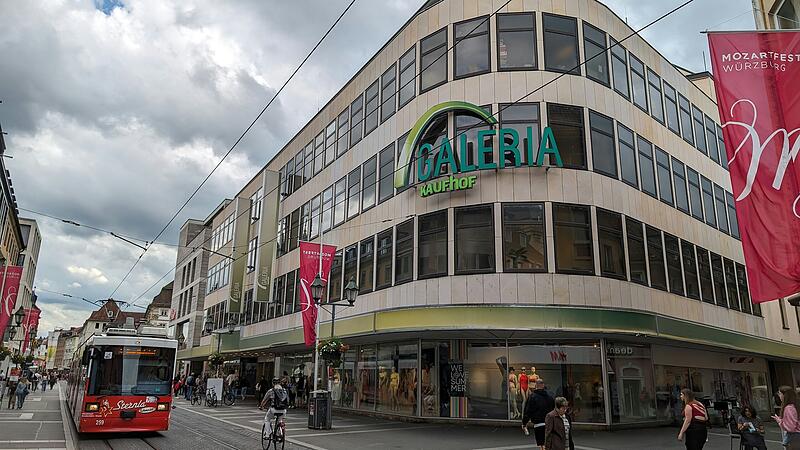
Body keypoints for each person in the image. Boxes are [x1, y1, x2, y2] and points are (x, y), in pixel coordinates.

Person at [523, 378, 556, 449]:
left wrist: (524, 423)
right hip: (549, 423)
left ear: (536, 385)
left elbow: (528, 411)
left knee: (542, 444)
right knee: (549, 443)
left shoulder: (532, 397)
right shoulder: (550, 397)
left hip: (538, 423)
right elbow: (554, 409)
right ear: (543, 385)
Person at [773, 385, 800, 449]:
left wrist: (780, 421)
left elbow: (790, 427)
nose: (779, 396)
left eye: (780, 393)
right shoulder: (796, 405)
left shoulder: (788, 408)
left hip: (794, 438)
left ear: (785, 395)